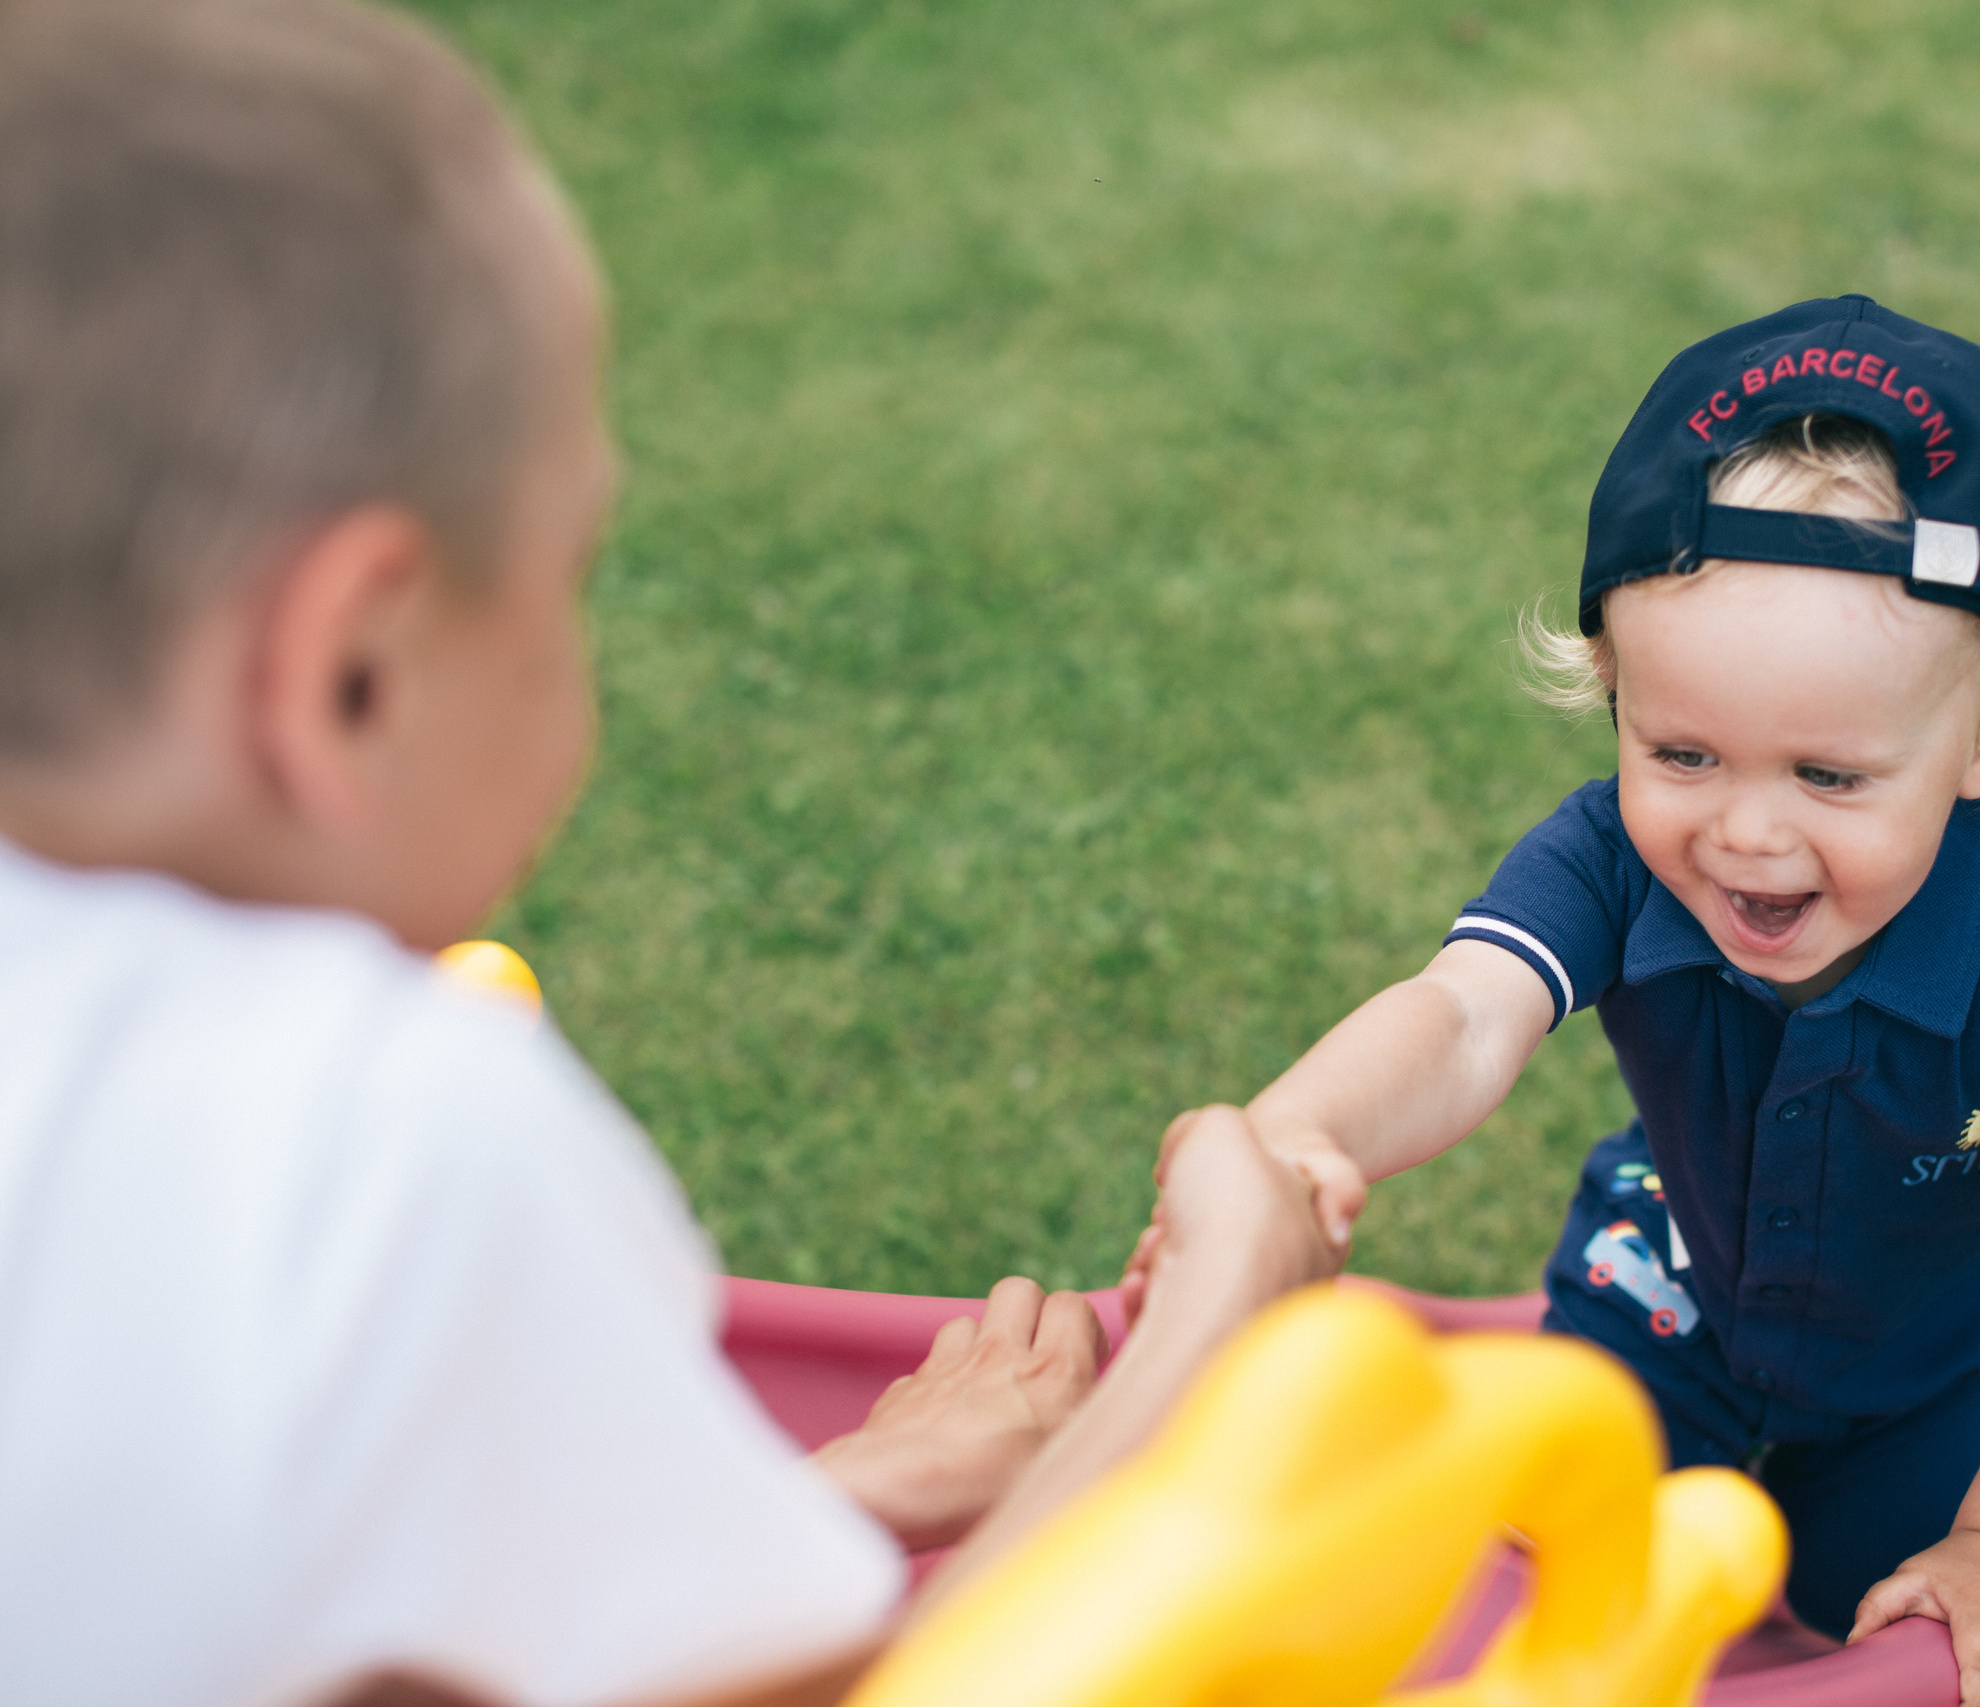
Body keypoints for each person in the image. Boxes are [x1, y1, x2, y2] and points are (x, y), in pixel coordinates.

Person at [0, 2, 1332, 1704]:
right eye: (568, 569)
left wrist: (848, 1494)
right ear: (349, 669)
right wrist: (1220, 1327)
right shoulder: (367, 1148)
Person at [1127, 298, 1980, 1707]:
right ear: (1612, 691)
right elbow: (1461, 1017)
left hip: (1924, 1385)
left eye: (1828, 777)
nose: (1746, 835)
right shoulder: (1613, 854)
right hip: (1659, 1308)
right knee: (1543, 1589)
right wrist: (1293, 1135)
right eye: (1682, 751)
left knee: (1882, 1626)